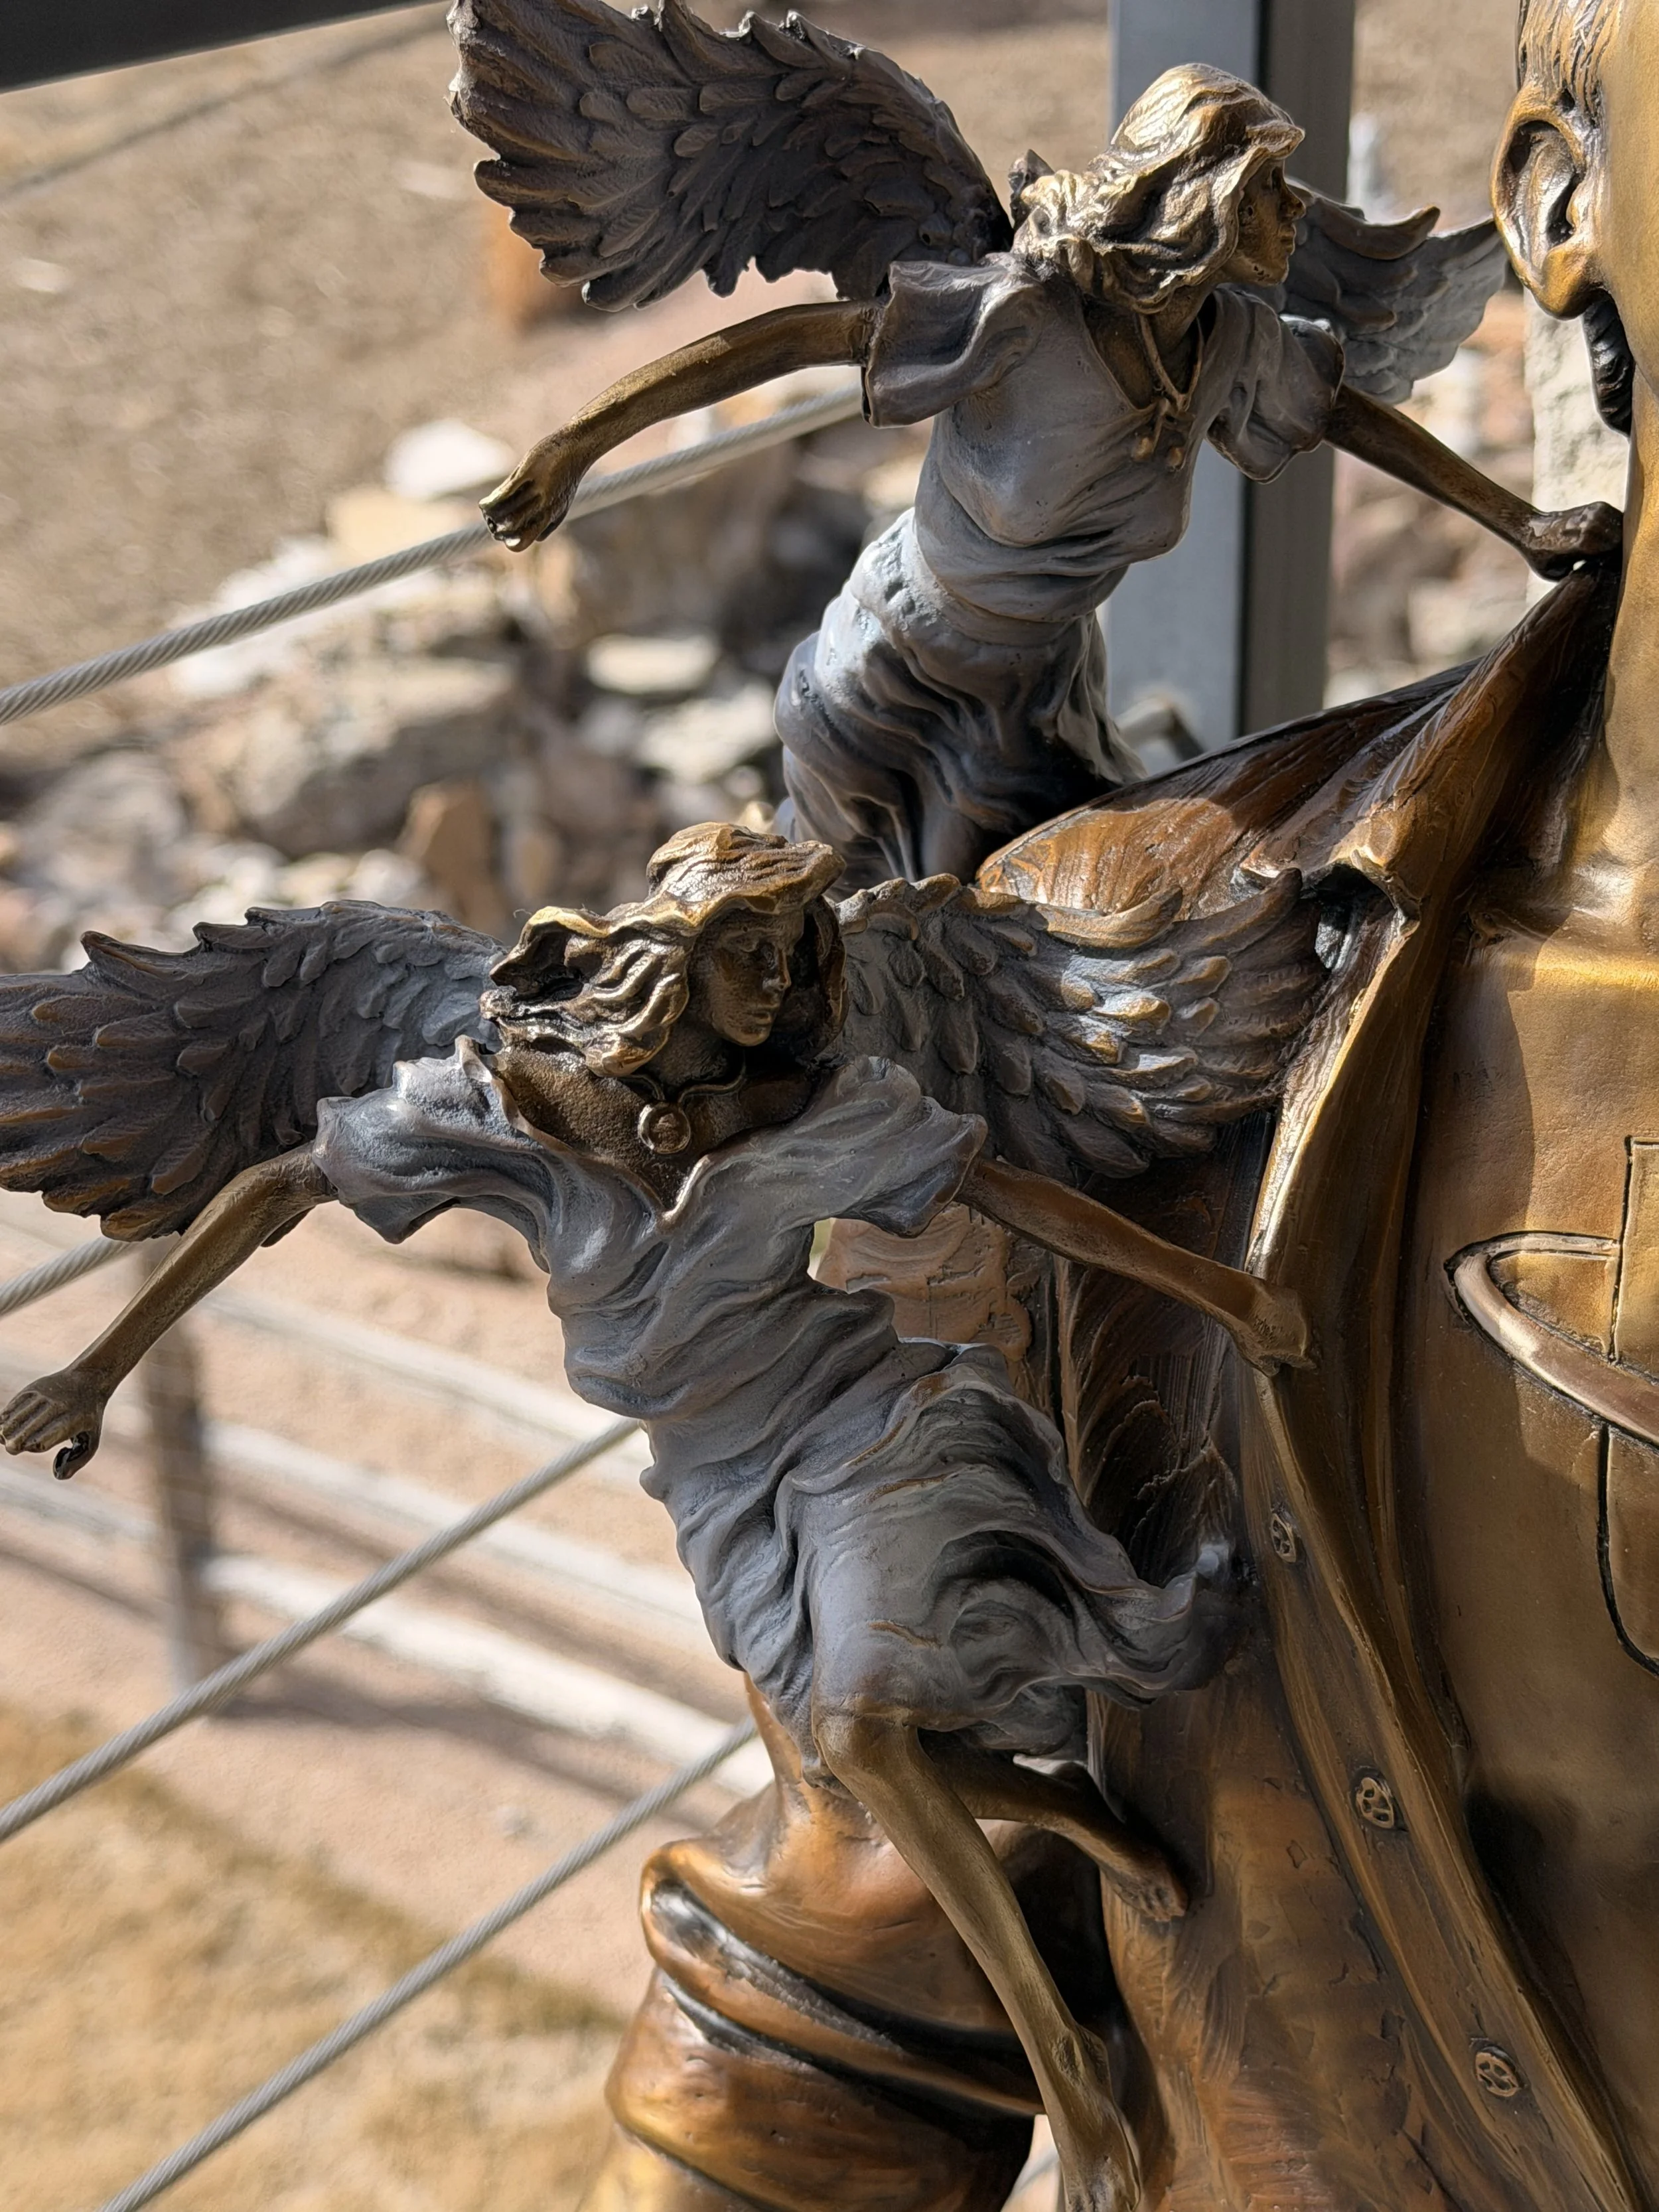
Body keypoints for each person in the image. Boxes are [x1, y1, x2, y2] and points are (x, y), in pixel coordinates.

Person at [0, 823, 1307, 2212]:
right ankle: (1080, 1817)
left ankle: (1073, 2074)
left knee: (866, 1733)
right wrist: (95, 1367)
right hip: (716, 1474)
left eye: (796, 954)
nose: (780, 984)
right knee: (858, 1755)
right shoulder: (518, 1103)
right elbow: (274, 1187)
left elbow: (1015, 1195)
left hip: (862, 1424)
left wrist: (1225, 1298)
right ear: (667, 960)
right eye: (750, 953)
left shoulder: (816, 1107)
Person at [476, 66, 1620, 885]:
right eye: (1272, 194)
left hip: (1040, 705)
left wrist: (1519, 521)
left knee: (1077, 917)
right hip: (889, 678)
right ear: (1202, 197)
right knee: (840, 928)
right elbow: (784, 342)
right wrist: (573, 446)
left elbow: (1350, 418)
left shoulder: (1228, 342)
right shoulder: (1018, 314)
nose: (1295, 220)